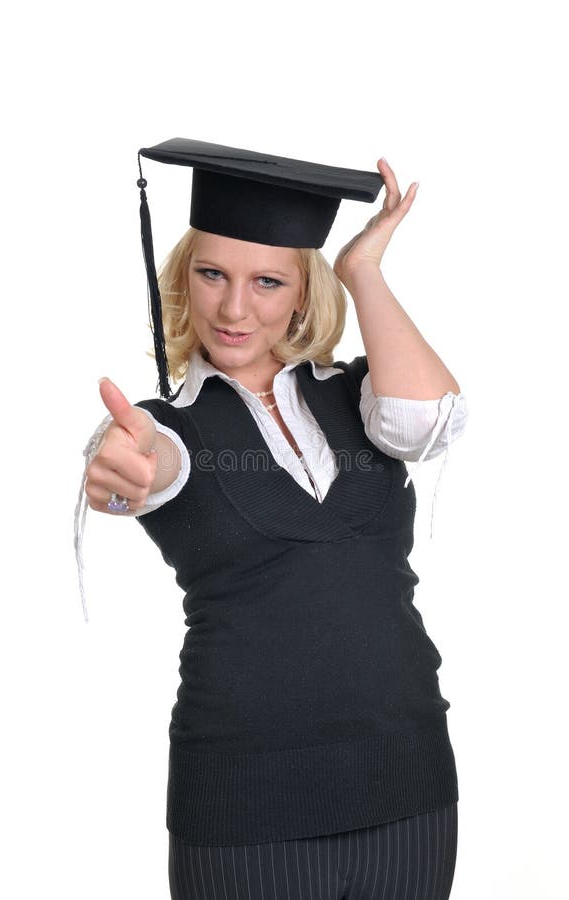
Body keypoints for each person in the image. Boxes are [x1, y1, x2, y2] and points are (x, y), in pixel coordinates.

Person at [75, 138, 468, 899]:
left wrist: (364, 272)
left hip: (406, 772)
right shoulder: (164, 424)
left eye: (266, 281)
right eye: (212, 273)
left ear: (301, 291)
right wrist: (124, 470)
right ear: (185, 278)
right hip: (244, 799)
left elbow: (429, 424)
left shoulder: (361, 394)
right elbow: (145, 467)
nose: (233, 307)